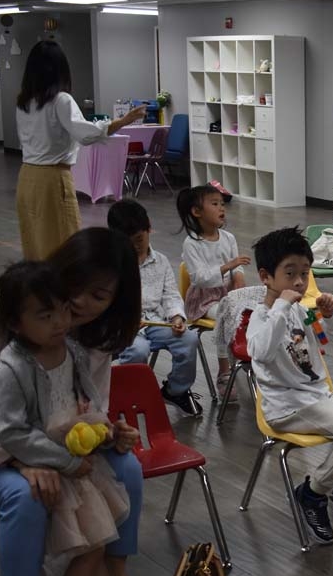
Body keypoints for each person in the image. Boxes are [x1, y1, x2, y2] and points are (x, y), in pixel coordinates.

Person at [0, 228, 150, 576]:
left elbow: (90, 405)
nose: (81, 303)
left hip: (51, 446)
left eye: (99, 296)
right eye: (76, 286)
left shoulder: (85, 335)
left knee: (127, 468)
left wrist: (109, 433)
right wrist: (19, 461)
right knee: (27, 495)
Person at [246, 227, 333, 544]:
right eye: (290, 273)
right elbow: (261, 352)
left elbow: (330, 340)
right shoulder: (262, 317)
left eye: (304, 273)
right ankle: (313, 493)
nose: (299, 282)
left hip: (320, 397)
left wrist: (330, 315)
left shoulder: (300, 311)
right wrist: (281, 306)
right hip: (289, 408)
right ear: (266, 277)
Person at [14, 40, 147, 259]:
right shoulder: (61, 100)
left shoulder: (24, 102)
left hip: (27, 177)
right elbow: (86, 134)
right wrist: (124, 121)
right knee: (63, 243)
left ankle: (38, 280)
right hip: (51, 178)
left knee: (34, 243)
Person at [107, 199, 202, 418]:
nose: (135, 246)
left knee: (189, 339)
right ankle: (131, 397)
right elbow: (105, 304)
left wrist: (177, 317)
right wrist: (126, 320)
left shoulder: (160, 261)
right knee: (138, 349)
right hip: (123, 328)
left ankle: (175, 391)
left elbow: (170, 295)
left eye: (139, 239)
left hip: (154, 321)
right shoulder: (111, 265)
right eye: (128, 242)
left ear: (149, 229)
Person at [177, 184, 248, 398]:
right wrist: (228, 266)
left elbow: (238, 268)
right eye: (215, 204)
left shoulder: (228, 238)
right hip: (204, 300)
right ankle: (224, 371)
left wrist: (238, 276)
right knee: (226, 314)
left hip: (227, 294)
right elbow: (199, 278)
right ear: (197, 212)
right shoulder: (191, 243)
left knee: (251, 312)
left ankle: (247, 358)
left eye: (222, 204)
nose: (221, 208)